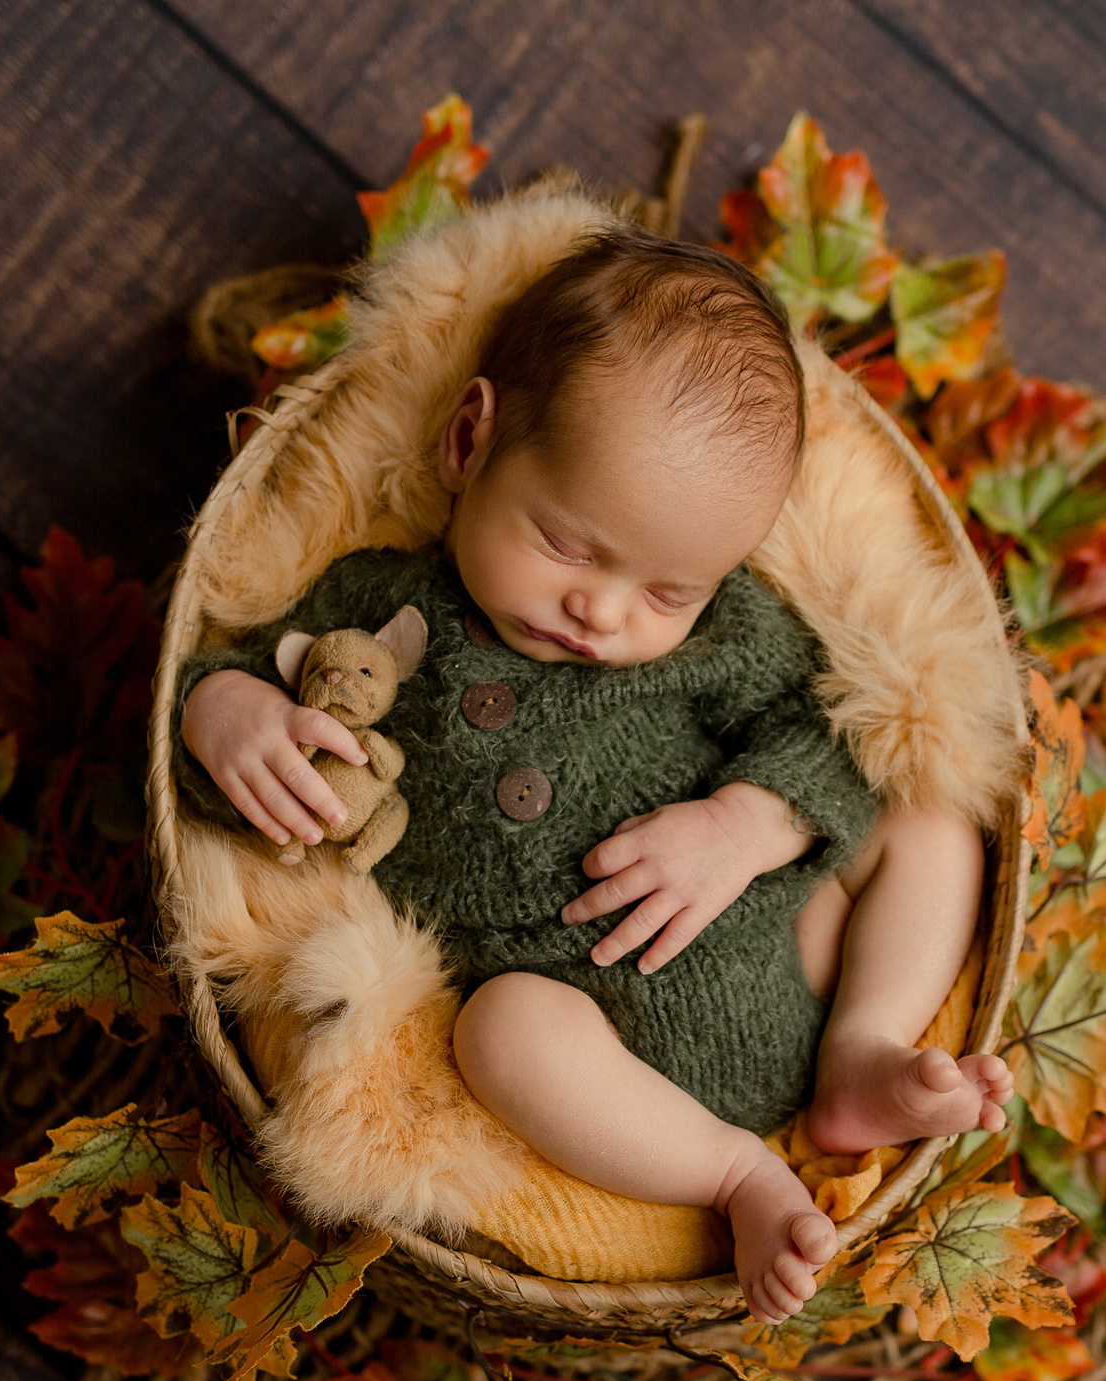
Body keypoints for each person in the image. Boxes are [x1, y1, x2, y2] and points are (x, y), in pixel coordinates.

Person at [176, 229, 1007, 1322]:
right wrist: (222, 713)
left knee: (929, 812)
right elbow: (242, 660)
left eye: (669, 594)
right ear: (471, 440)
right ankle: (733, 1173)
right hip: (594, 1039)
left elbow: (833, 729)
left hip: (799, 940)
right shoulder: (382, 603)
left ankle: (864, 1054)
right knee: (499, 1031)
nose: (605, 613)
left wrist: (748, 824)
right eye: (568, 545)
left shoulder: (732, 635)